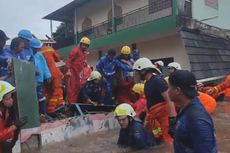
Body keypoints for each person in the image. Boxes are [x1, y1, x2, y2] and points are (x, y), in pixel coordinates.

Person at [168, 70, 217, 153]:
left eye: (169, 87)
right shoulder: (185, 109)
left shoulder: (197, 120)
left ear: (177, 90)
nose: (167, 91)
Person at [133, 57, 176, 144]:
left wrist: (172, 120)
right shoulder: (147, 83)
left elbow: (169, 100)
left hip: (165, 117)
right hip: (155, 116)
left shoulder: (158, 81)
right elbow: (150, 101)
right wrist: (142, 114)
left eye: (137, 72)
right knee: (159, 141)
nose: (136, 74)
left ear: (144, 70)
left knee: (169, 142)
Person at [0, 81, 27, 153]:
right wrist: (13, 127)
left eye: (11, 97)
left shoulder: (6, 111)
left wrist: (13, 139)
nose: (11, 100)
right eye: (7, 99)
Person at [31, 38, 52, 122]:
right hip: (30, 81)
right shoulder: (27, 55)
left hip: (39, 80)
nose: (37, 49)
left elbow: (44, 66)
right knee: (32, 99)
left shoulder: (39, 55)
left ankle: (43, 114)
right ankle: (35, 117)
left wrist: (47, 76)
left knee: (41, 97)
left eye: (37, 48)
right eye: (35, 48)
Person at [65, 37, 90, 104]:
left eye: (86, 45)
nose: (85, 47)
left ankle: (74, 105)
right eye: (84, 45)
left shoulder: (83, 53)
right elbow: (69, 60)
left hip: (78, 74)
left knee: (77, 89)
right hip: (72, 73)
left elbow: (83, 63)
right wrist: (68, 70)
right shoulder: (75, 50)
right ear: (81, 44)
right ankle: (71, 105)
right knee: (72, 90)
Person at [41, 45, 64, 114]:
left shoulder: (37, 52)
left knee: (48, 93)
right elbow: (58, 58)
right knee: (57, 91)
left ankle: (57, 107)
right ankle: (51, 109)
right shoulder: (49, 49)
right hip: (53, 73)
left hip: (44, 76)